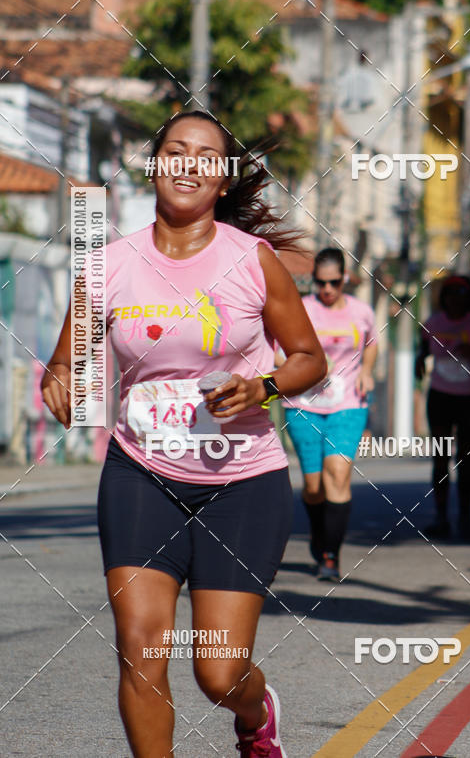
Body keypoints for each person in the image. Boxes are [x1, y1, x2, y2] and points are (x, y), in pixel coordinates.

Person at [41, 110, 327, 758]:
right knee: (140, 648)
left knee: (217, 672)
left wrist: (263, 387)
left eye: (206, 155)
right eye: (176, 150)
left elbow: (310, 357)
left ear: (222, 180)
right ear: (155, 165)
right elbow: (69, 361)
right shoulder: (108, 265)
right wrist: (58, 381)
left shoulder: (254, 261)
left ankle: (256, 715)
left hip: (241, 482)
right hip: (139, 471)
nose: (189, 163)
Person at [280, 248, 377, 582]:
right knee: (313, 486)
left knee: (337, 473)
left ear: (345, 279)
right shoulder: (300, 309)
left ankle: (330, 556)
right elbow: (280, 351)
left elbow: (372, 341)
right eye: (320, 283)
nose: (327, 290)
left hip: (348, 402)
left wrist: (366, 369)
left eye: (334, 282)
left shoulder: (361, 311)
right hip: (303, 405)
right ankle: (319, 537)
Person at [415, 275, 470, 539]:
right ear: (443, 297)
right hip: (440, 395)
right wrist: (418, 361)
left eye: (461, 293)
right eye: (450, 293)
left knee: (466, 459)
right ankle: (441, 517)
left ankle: (465, 519)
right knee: (440, 457)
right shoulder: (433, 323)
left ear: (469, 297)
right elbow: (422, 349)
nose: (455, 299)